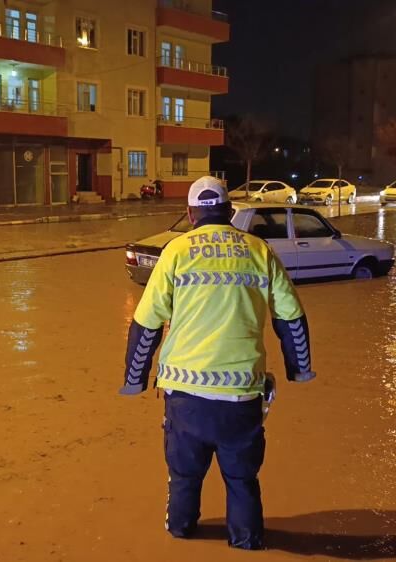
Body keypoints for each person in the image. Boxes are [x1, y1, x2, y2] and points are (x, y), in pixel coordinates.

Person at [119, 175, 315, 550]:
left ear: (191, 213)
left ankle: (181, 532)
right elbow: (290, 316)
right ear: (229, 211)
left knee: (184, 476)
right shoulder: (259, 251)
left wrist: (134, 379)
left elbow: (147, 322)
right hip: (241, 397)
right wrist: (300, 369)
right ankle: (246, 541)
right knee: (242, 480)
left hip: (185, 396)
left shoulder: (176, 252)